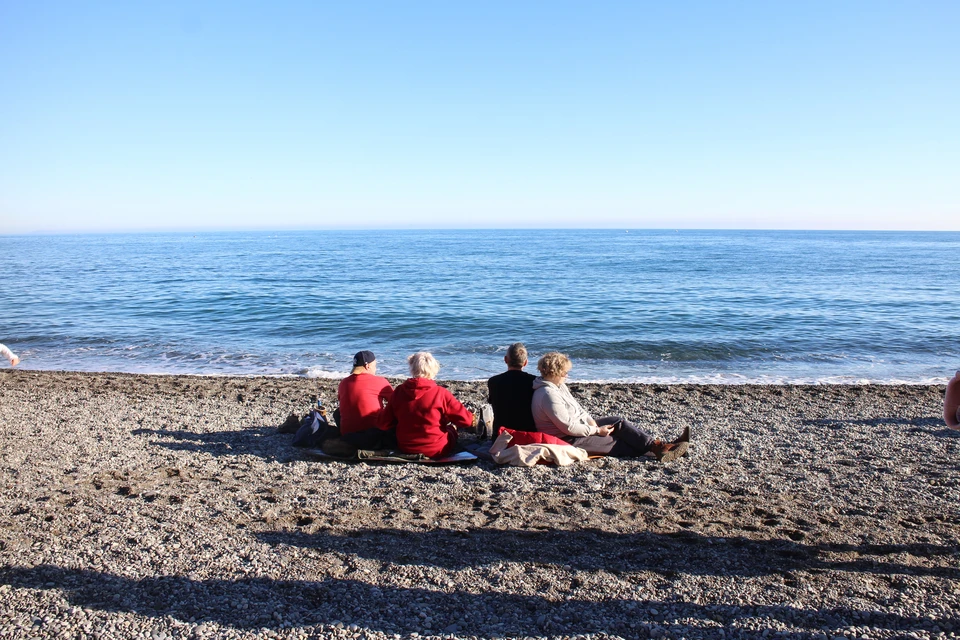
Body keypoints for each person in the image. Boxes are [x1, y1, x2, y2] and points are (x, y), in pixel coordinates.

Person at [531, 352, 689, 461]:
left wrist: (591, 421)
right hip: (568, 439)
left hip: (581, 428)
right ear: (555, 372)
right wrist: (597, 431)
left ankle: (658, 446)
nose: (567, 375)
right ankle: (661, 449)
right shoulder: (547, 395)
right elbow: (568, 427)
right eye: (565, 372)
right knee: (616, 442)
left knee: (618, 422)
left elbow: (579, 409)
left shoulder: (558, 386)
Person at [378, 352, 475, 458]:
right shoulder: (440, 393)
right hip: (436, 448)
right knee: (451, 430)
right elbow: (467, 420)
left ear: (412, 368)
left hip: (406, 447)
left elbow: (384, 422)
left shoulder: (399, 391)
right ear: (433, 370)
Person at [336, 350, 396, 449]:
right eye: (375, 366)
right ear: (367, 366)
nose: (376, 369)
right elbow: (395, 402)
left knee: (338, 413)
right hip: (373, 435)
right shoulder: (380, 382)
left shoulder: (343, 383)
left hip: (347, 435)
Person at [487, 342, 537, 433]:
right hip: (527, 435)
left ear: (506, 360)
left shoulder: (493, 381)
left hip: (500, 435)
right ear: (525, 362)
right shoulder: (534, 382)